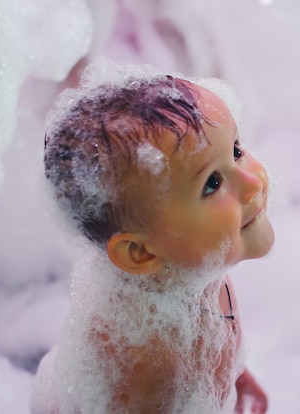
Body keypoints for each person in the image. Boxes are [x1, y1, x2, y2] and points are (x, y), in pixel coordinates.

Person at [30, 60, 274, 414]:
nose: (252, 183)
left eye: (236, 151)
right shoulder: (143, 361)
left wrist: (237, 377)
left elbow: (220, 344)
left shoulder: (191, 271)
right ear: (140, 253)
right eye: (212, 183)